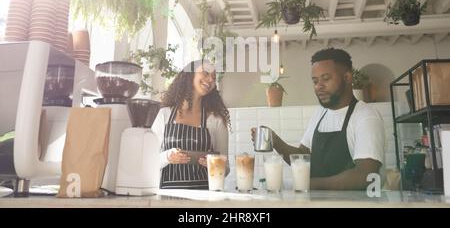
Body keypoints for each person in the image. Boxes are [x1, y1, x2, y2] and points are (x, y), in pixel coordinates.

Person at [252, 48, 385, 190]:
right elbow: (303, 157)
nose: (318, 86)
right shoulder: (320, 114)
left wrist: (307, 184)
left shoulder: (366, 116)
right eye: (315, 81)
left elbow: (365, 176)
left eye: (326, 79)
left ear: (347, 77)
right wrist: (276, 141)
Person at [152, 59, 230, 189]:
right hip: (168, 198)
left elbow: (226, 169)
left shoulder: (215, 120)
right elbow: (149, 162)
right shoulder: (164, 115)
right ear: (190, 75)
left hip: (205, 198)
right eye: (205, 73)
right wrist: (167, 157)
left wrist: (214, 165)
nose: (211, 79)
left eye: (213, 77)